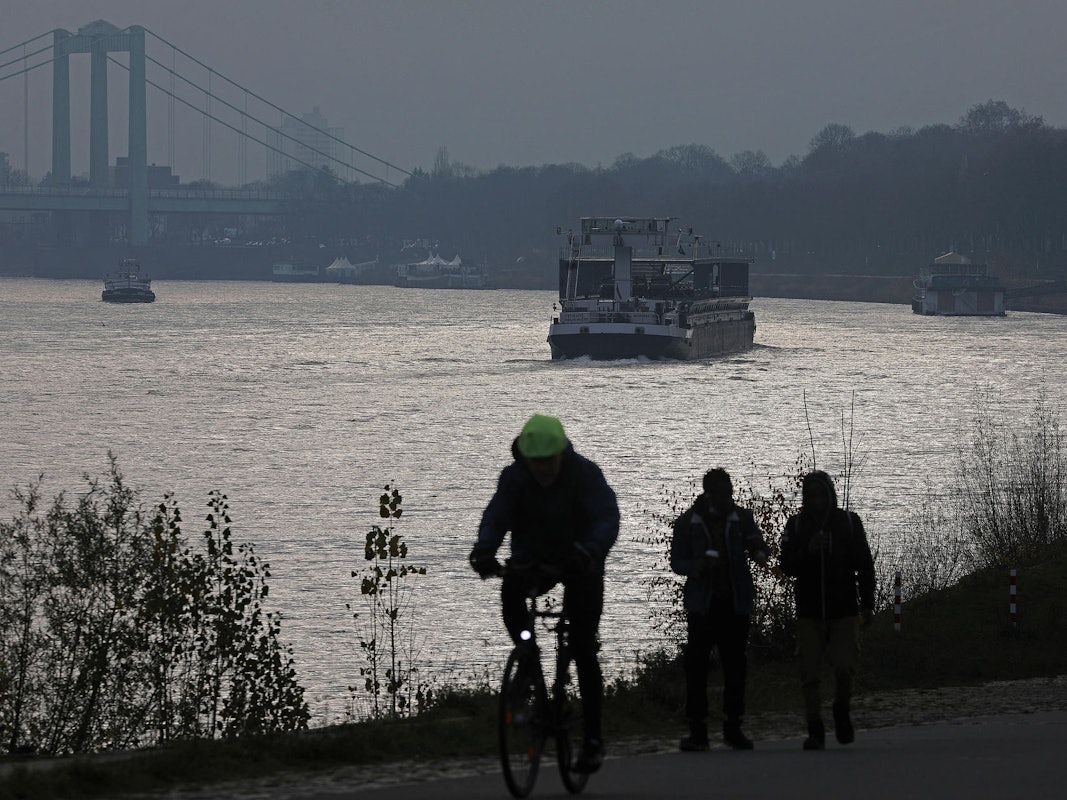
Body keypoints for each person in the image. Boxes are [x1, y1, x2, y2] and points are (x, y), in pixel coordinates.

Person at [469, 414, 619, 774]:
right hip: (533, 558)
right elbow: (496, 515)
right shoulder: (514, 478)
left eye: (548, 461)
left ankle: (593, 740)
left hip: (581, 559)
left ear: (561, 454)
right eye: (536, 463)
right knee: (511, 591)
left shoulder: (585, 474)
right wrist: (484, 549)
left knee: (582, 647)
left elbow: (607, 517)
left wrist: (591, 550)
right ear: (526, 459)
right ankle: (527, 653)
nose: (543, 469)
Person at [669, 468, 770, 751]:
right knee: (696, 668)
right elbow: (677, 562)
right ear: (709, 494)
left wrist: (760, 552)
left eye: (730, 493)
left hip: (735, 604)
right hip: (702, 605)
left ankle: (733, 728)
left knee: (736, 666)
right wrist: (699, 566)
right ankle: (699, 731)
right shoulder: (688, 522)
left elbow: (757, 542)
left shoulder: (743, 518)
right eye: (723, 494)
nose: (729, 499)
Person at [779, 469, 876, 750]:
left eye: (821, 494)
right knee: (809, 675)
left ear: (830, 494)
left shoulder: (848, 522)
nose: (817, 500)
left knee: (845, 668)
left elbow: (864, 566)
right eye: (811, 495)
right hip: (808, 612)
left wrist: (867, 603)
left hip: (844, 609)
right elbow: (786, 566)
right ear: (805, 498)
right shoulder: (795, 526)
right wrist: (808, 550)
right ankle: (815, 729)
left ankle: (841, 710)